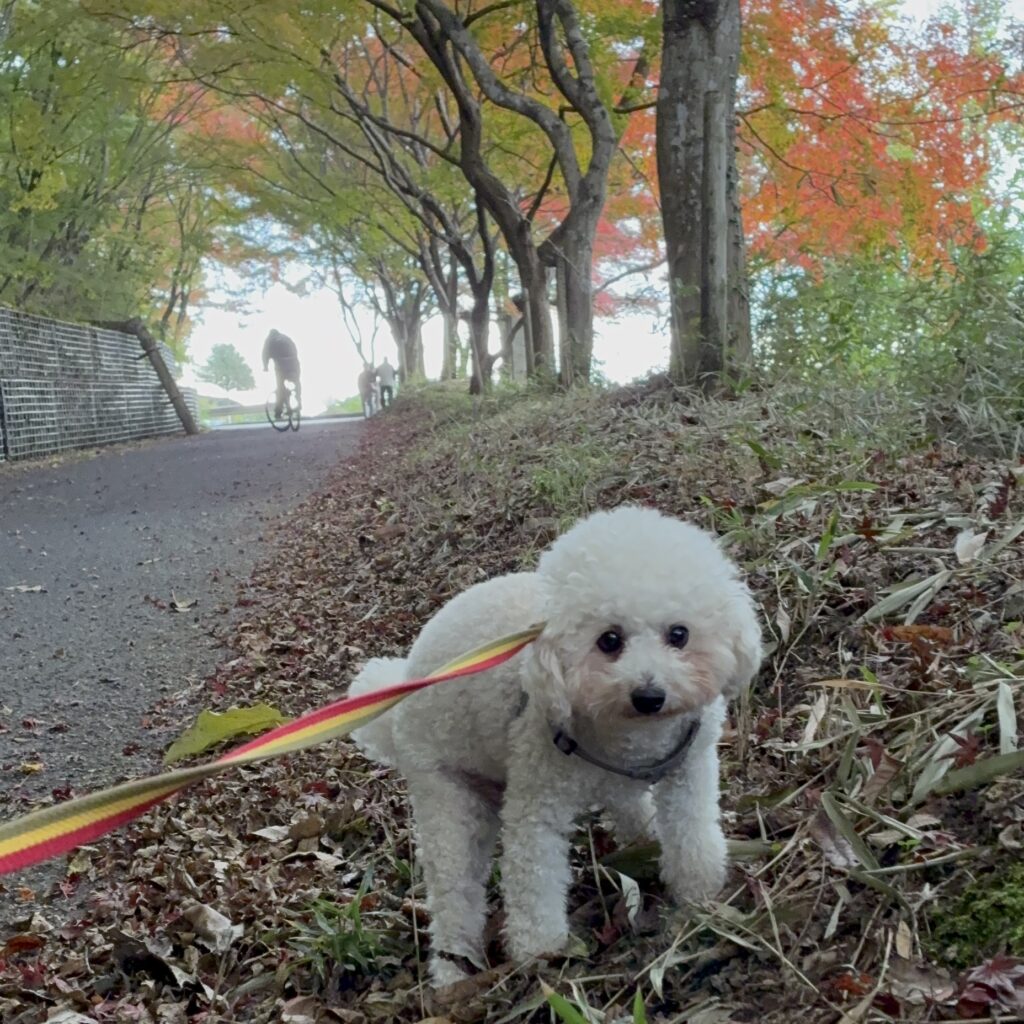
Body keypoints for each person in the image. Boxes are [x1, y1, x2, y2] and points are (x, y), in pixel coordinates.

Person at [262, 329, 301, 418]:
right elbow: (295, 349)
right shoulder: (286, 338)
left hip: (281, 365)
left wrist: (265, 367)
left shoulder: (270, 340)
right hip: (294, 363)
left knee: (280, 388)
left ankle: (278, 411)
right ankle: (299, 402)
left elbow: (264, 354)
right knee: (297, 382)